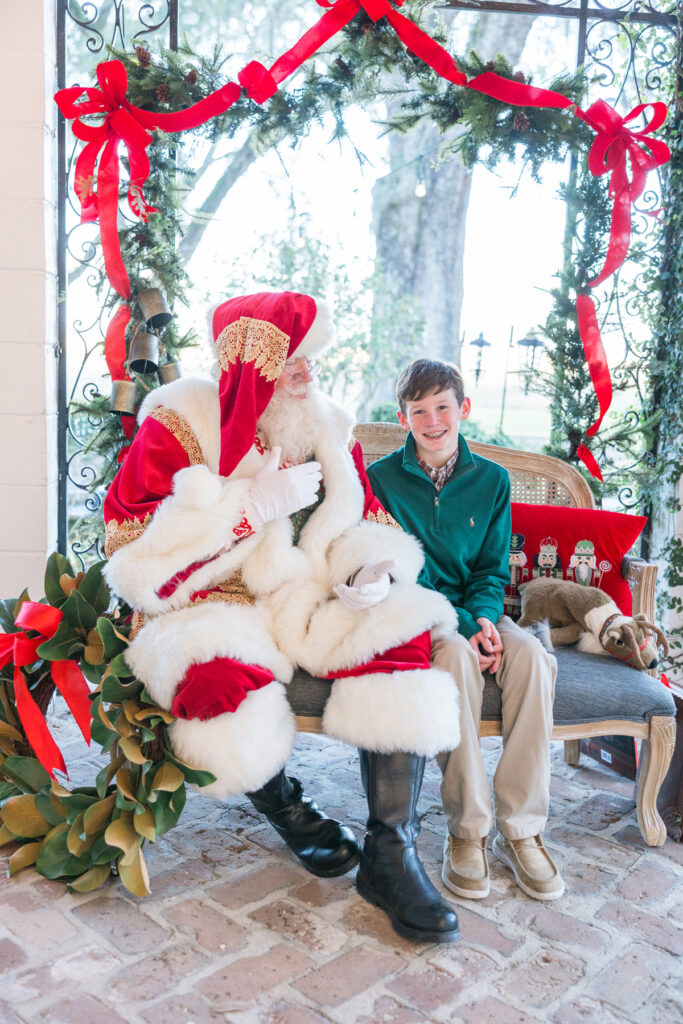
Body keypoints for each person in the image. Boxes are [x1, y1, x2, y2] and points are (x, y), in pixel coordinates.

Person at [103, 292, 461, 942]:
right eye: (292, 362)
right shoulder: (182, 423)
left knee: (400, 633)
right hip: (211, 602)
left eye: (310, 361)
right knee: (214, 685)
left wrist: (370, 571)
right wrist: (245, 512)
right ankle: (286, 808)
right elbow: (129, 549)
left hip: (309, 594)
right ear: (250, 364)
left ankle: (390, 853)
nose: (306, 375)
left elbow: (368, 518)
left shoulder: (324, 424)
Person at [367, 358, 564, 902]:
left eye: (442, 407)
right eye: (419, 410)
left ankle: (522, 830)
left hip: (476, 609)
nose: (433, 420)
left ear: (463, 409)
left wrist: (483, 619)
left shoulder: (492, 480)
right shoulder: (380, 481)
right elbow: (400, 569)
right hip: (419, 615)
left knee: (532, 657)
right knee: (453, 658)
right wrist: (460, 628)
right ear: (404, 417)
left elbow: (491, 570)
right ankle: (468, 831)